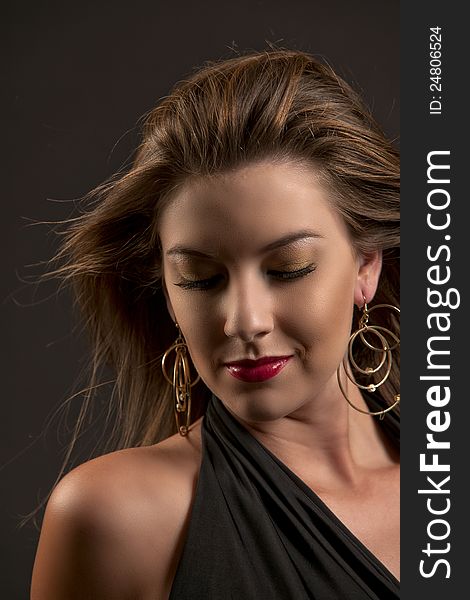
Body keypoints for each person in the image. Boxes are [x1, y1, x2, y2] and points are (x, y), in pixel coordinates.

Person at [30, 48, 400, 599]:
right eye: (200, 278)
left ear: (365, 265)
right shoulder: (122, 518)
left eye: (287, 269)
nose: (244, 321)